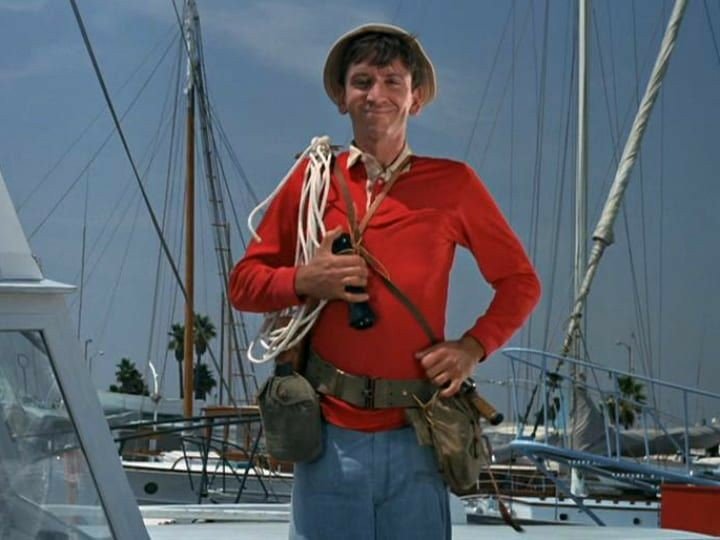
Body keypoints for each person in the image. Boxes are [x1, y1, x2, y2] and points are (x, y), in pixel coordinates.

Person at [230, 23, 541, 540]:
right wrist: (306, 279)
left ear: (415, 99)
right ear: (342, 98)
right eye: (362, 81)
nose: (376, 94)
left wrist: (472, 347)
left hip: (417, 437)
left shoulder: (455, 185)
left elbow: (520, 282)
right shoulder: (311, 180)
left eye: (393, 81)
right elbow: (243, 284)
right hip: (328, 440)